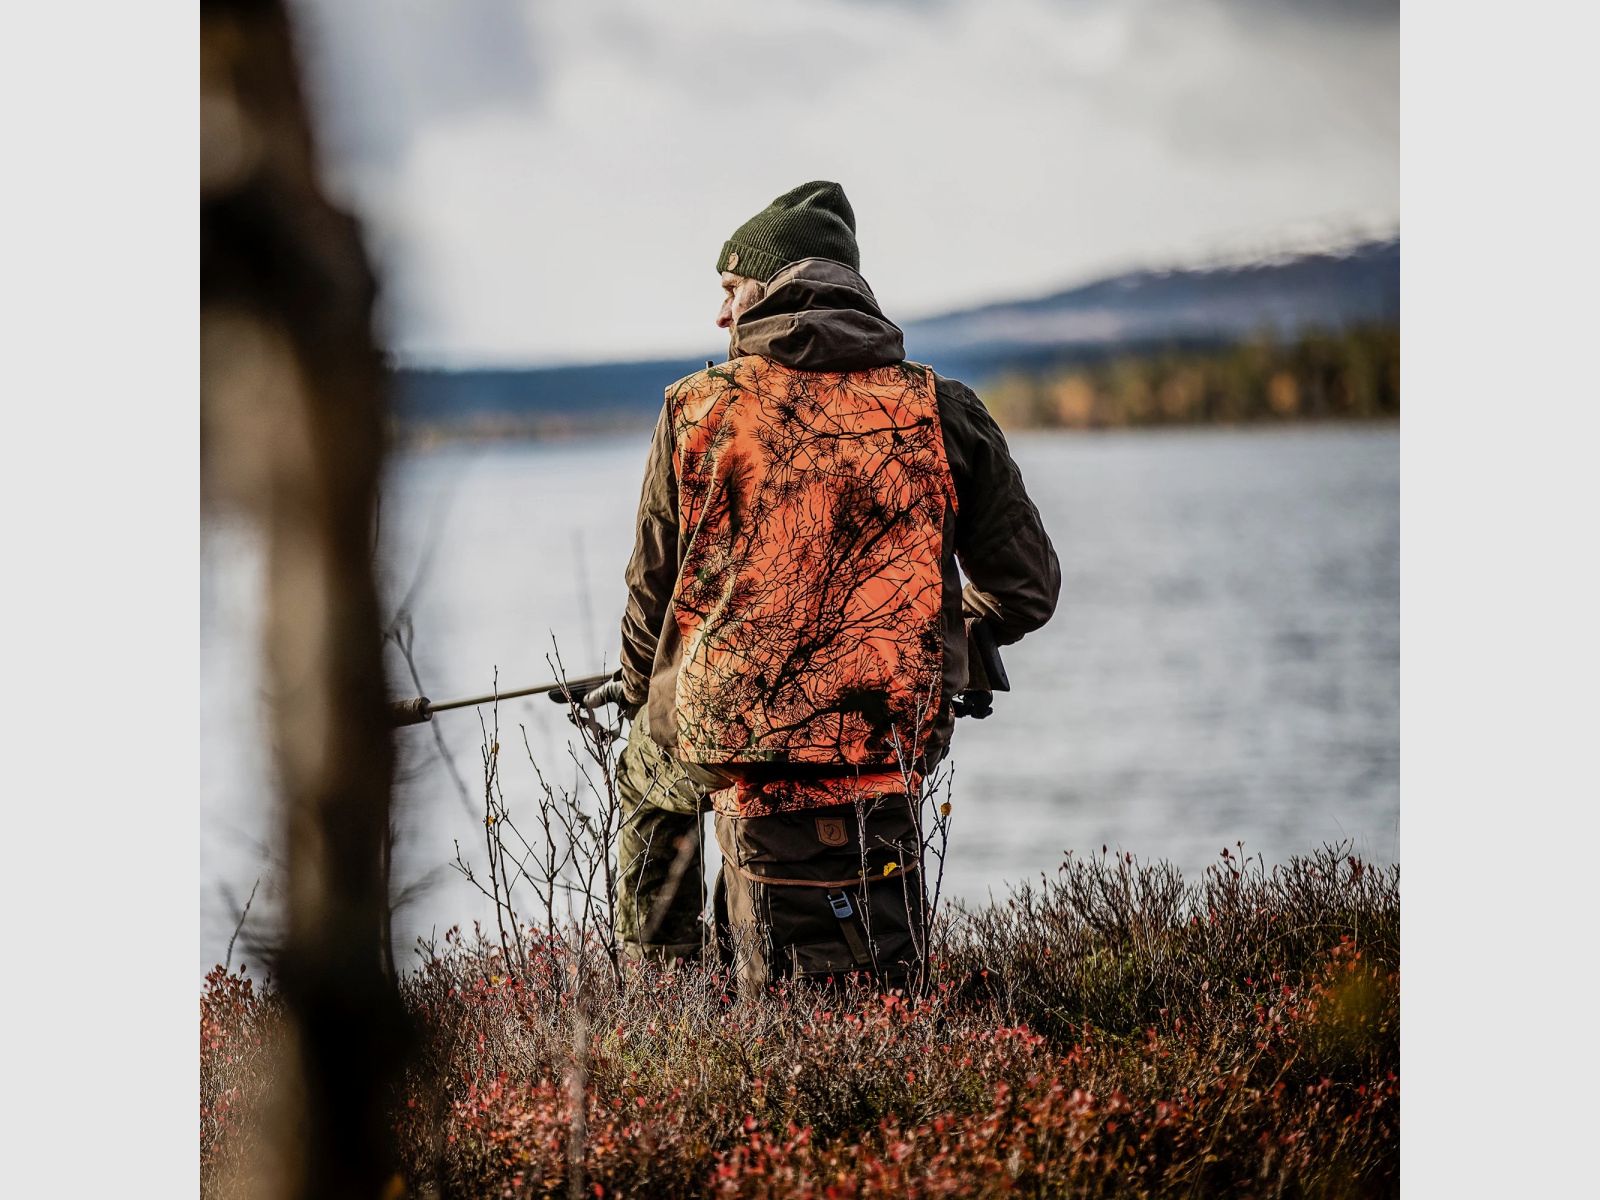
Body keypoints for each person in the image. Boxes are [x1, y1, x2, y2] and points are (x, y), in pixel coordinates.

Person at [595, 181, 1059, 992]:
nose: (719, 315)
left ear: (768, 291)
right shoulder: (943, 410)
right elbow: (1027, 593)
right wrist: (951, 636)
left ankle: (661, 989)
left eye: (729, 291)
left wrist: (640, 690)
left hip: (736, 738)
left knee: (646, 765)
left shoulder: (698, 408)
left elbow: (651, 602)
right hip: (889, 734)